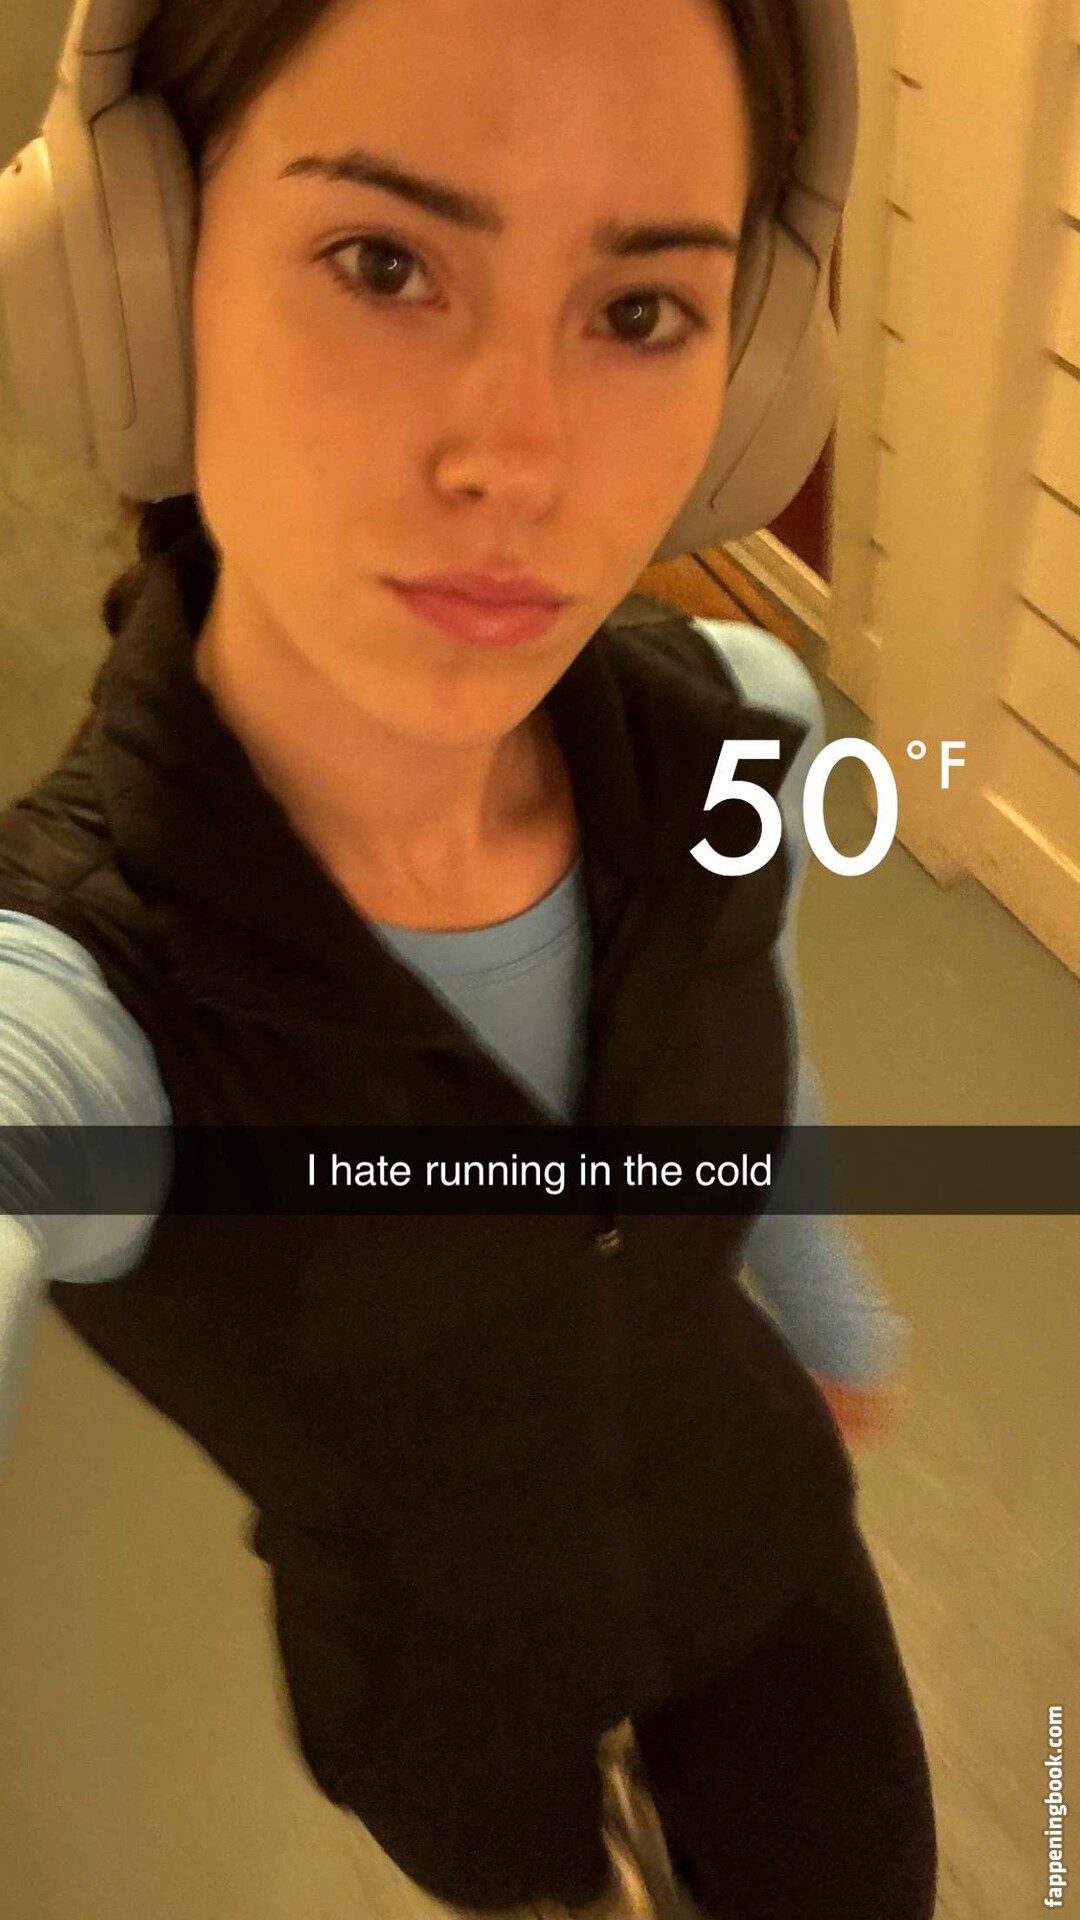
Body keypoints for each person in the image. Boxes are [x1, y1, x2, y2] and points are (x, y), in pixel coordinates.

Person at [0, 1, 937, 1915]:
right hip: (444, 1678)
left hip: (755, 1533)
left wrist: (826, 1308)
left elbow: (753, 1028)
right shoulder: (80, 1005)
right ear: (144, 284)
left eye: (641, 310)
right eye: (384, 262)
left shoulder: (738, 726)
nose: (521, 461)